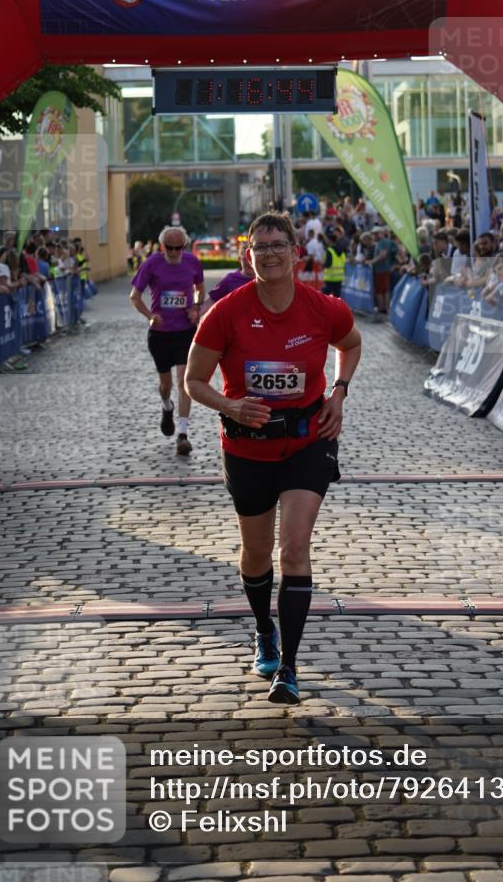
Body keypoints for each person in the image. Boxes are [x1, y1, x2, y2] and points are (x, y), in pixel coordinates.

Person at [185, 212, 361, 705]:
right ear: (248, 255)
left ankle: (289, 668)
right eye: (259, 247)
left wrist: (339, 393)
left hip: (308, 442)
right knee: (258, 553)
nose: (269, 253)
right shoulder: (226, 312)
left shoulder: (323, 308)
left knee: (294, 549)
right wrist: (230, 404)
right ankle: (265, 628)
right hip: (247, 448)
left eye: (278, 244)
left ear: (295, 252)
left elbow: (350, 343)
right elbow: (193, 382)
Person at [130, 226, 205, 455]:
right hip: (160, 334)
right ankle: (166, 406)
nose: (174, 252)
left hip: (185, 331)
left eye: (178, 248)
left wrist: (195, 306)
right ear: (163, 246)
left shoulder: (193, 262)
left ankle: (182, 434)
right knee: (166, 385)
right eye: (169, 248)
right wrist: (150, 315)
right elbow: (134, 296)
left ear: (184, 245)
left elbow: (200, 289)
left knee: (184, 382)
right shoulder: (152, 264)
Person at [199, 244, 255, 317]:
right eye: (245, 259)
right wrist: (196, 313)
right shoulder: (230, 280)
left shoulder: (268, 279)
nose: (249, 262)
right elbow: (212, 300)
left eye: (252, 258)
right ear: (239, 259)